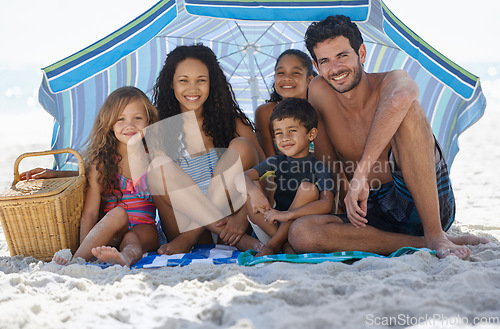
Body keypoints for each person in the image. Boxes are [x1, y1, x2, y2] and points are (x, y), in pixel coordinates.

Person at [287, 15, 488, 259]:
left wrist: (360, 175)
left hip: (421, 203)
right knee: (301, 233)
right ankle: (424, 243)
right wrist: (339, 205)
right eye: (325, 61)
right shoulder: (318, 91)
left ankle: (435, 234)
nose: (335, 68)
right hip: (369, 209)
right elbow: (327, 162)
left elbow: (404, 95)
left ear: (361, 53)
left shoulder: (391, 80)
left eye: (342, 56)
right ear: (317, 66)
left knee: (408, 110)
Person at [148, 44, 266, 255]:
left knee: (241, 147)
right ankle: (194, 234)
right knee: (158, 167)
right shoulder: (159, 130)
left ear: (212, 83)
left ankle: (192, 236)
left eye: (201, 80)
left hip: (232, 224)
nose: (192, 89)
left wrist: (242, 217)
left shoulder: (234, 123)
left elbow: (269, 173)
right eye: (183, 80)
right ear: (171, 84)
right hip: (182, 224)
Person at [52, 86, 160, 267]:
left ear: (148, 121)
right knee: (117, 213)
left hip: (145, 228)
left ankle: (125, 257)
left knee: (133, 239)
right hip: (112, 231)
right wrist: (86, 245)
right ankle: (78, 260)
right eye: (121, 119)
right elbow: (91, 213)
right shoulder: (102, 164)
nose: (130, 125)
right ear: (109, 123)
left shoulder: (154, 158)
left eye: (138, 118)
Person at [236, 98, 335, 256]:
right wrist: (255, 192)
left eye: (292, 131)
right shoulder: (275, 162)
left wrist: (288, 215)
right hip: (272, 226)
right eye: (278, 133)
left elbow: (326, 204)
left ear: (311, 134)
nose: (284, 138)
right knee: (247, 188)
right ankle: (282, 244)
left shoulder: (319, 167)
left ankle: (275, 245)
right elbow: (241, 177)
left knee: (308, 189)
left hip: (300, 229)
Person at [254, 49, 315, 157]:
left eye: (295, 73)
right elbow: (268, 160)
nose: (286, 78)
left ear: (309, 80)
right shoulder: (264, 113)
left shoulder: (319, 110)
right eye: (281, 73)